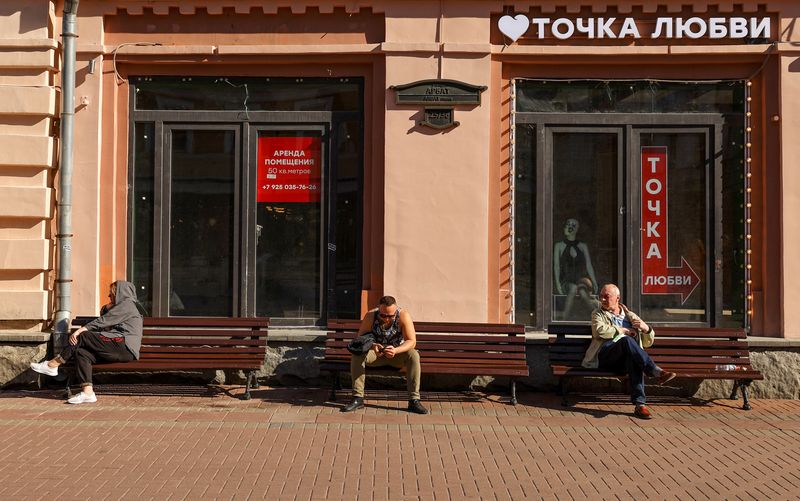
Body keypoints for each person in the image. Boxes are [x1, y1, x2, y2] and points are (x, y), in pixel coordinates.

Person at [31, 280, 145, 404]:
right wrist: (106, 307)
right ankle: (88, 392)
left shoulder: (127, 304)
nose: (109, 296)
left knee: (84, 336)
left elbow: (103, 321)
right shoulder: (122, 306)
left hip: (124, 346)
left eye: (112, 293)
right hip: (117, 347)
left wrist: (80, 330)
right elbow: (106, 317)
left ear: (120, 293)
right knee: (82, 353)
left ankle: (53, 364)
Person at [582, 284, 676, 419]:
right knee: (626, 340)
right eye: (600, 296)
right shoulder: (598, 314)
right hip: (606, 356)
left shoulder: (629, 315)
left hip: (625, 360)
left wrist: (646, 329)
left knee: (633, 358)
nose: (602, 300)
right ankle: (654, 371)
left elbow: (648, 342)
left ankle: (640, 405)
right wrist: (622, 331)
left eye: (606, 297)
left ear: (617, 298)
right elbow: (599, 331)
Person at [341, 295, 428, 414]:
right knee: (357, 355)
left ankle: (414, 400)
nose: (386, 319)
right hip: (376, 354)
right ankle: (358, 398)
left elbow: (412, 341)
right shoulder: (371, 315)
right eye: (383, 315)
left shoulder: (403, 316)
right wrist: (373, 346)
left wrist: (396, 350)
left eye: (390, 316)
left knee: (413, 355)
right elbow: (360, 340)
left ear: (396, 311)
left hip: (397, 354)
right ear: (379, 309)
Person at [553, 218, 598, 320]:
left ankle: (596, 315)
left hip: (580, 280)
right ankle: (565, 317)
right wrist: (558, 284)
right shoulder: (559, 246)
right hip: (566, 281)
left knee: (582, 292)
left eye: (573, 225)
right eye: (567, 224)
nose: (569, 227)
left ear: (577, 229)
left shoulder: (582, 246)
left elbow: (589, 265)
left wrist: (594, 282)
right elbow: (556, 266)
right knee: (573, 288)